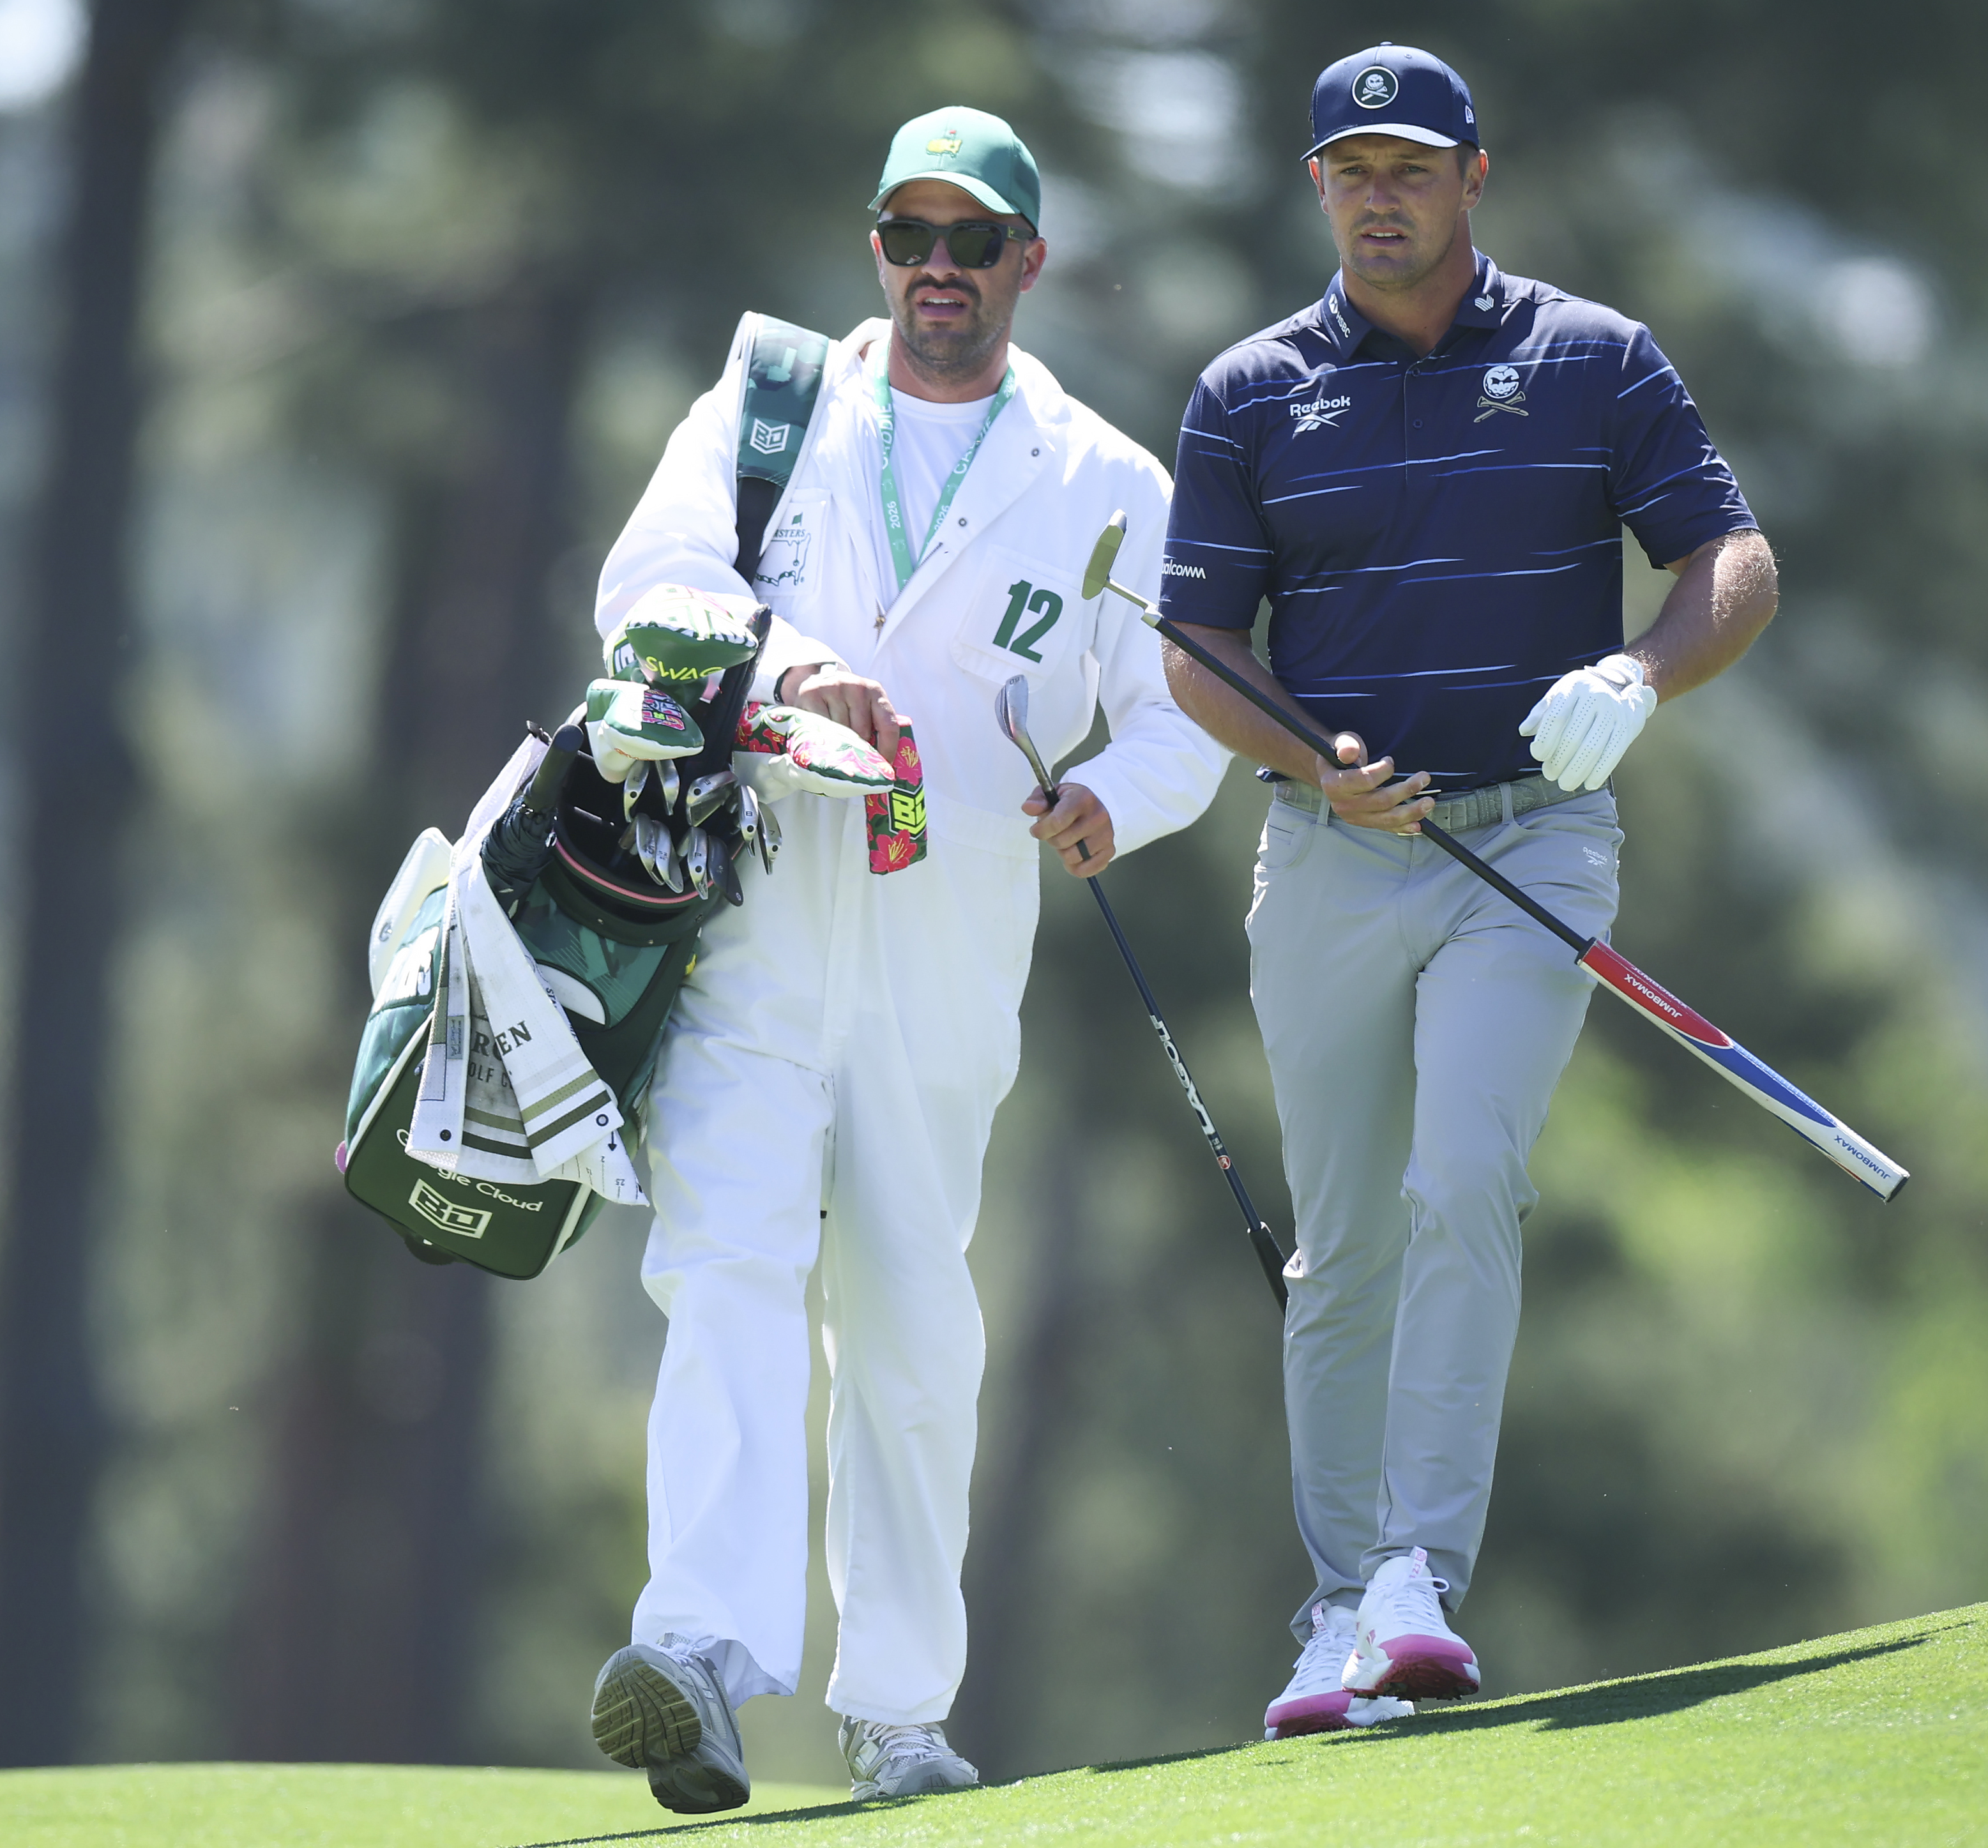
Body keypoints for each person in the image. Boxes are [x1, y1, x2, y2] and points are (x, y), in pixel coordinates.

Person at [582, 106, 1228, 1812]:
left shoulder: (1104, 482)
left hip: (951, 943)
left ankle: (897, 1713)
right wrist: (783, 666)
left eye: (973, 239)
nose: (939, 267)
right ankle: (697, 1660)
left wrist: (1112, 799)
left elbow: (1187, 711)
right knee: (723, 1268)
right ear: (875, 248)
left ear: (1029, 260)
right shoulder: (771, 403)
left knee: (909, 1320)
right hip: (752, 915)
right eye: (908, 235)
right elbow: (646, 584)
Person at [1153, 45, 1778, 1740]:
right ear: (1316, 187)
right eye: (1352, 171)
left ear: (1472, 179)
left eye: (1411, 168)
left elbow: (1731, 559)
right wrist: (1310, 762)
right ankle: (1333, 1612)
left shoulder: (1592, 359)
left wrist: (1643, 674)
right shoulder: (1250, 391)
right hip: (1333, 853)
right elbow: (1197, 643)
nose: (1380, 198)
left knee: (1464, 1178)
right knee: (1346, 1243)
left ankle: (1414, 1578)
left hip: (1529, 845)